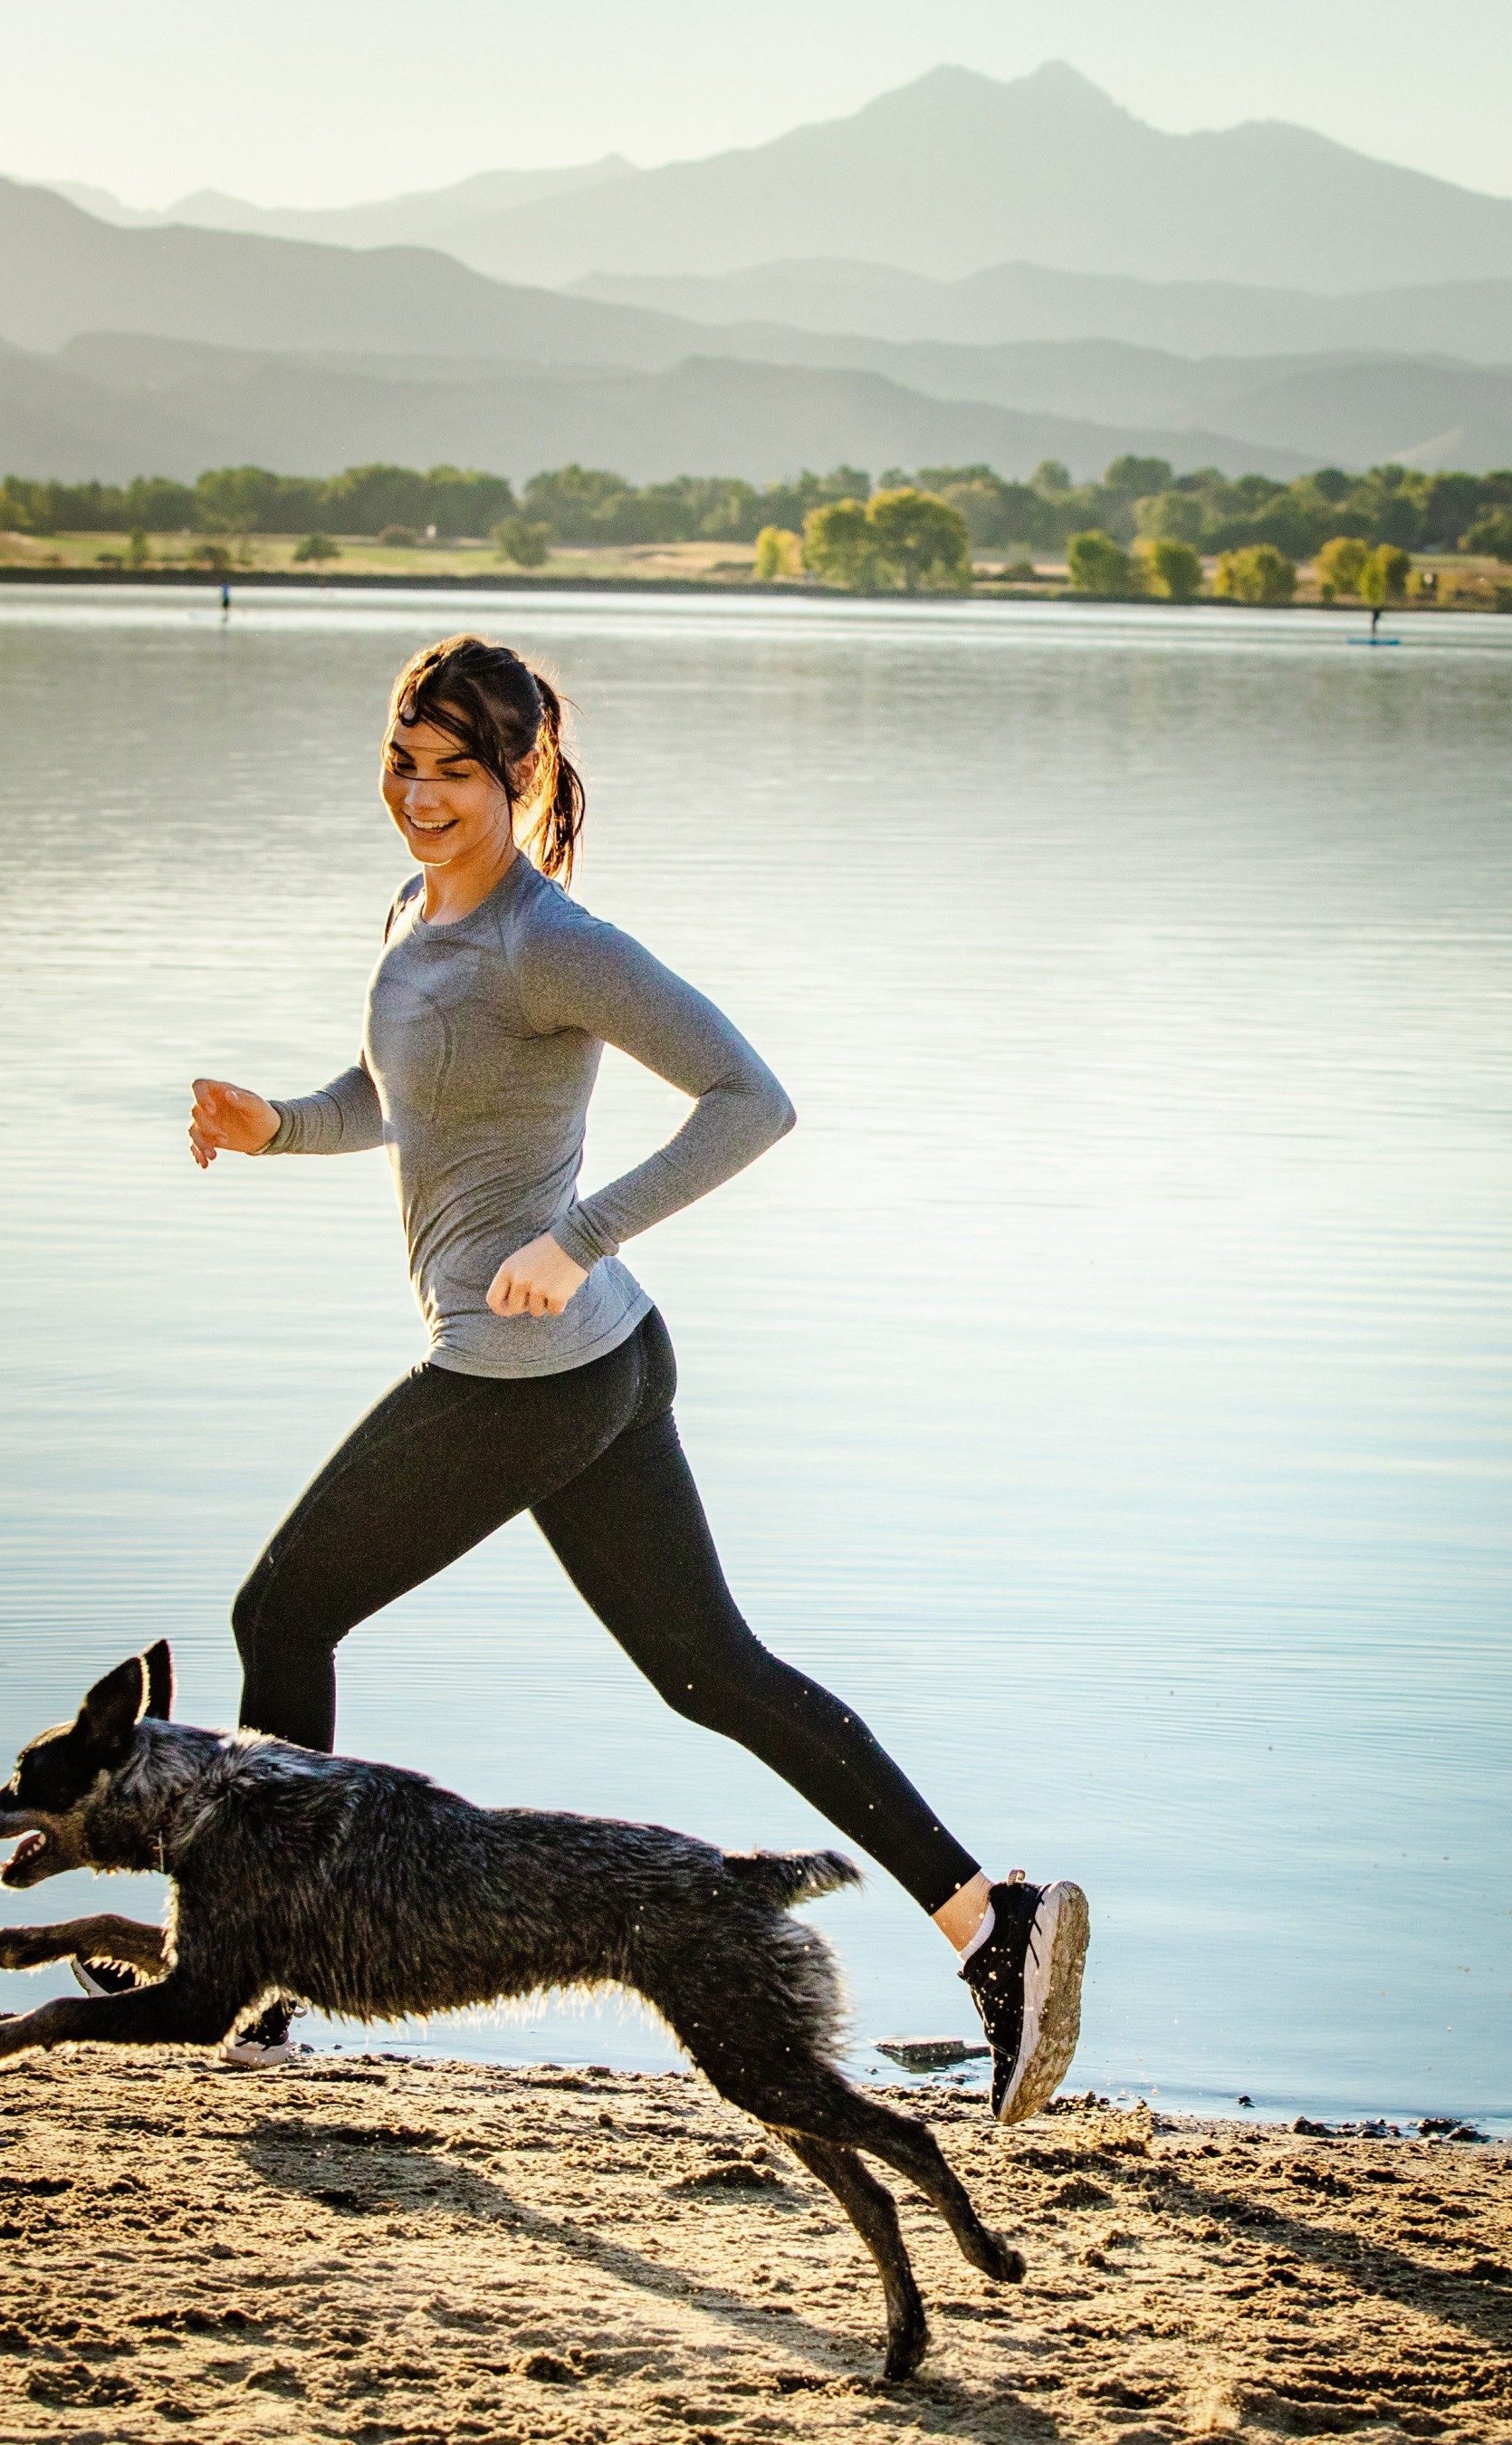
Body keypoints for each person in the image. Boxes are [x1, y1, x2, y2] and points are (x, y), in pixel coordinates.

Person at [181, 632, 1088, 2121]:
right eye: (404, 763)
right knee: (709, 1674)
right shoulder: (418, 912)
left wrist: (576, 1231)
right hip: (600, 1363)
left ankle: (254, 1978)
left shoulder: (550, 940)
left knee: (282, 1610)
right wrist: (276, 1123)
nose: (420, 794)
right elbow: (403, 1101)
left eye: (457, 771)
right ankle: (996, 1929)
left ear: (524, 773)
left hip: (531, 1366)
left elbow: (755, 1099)